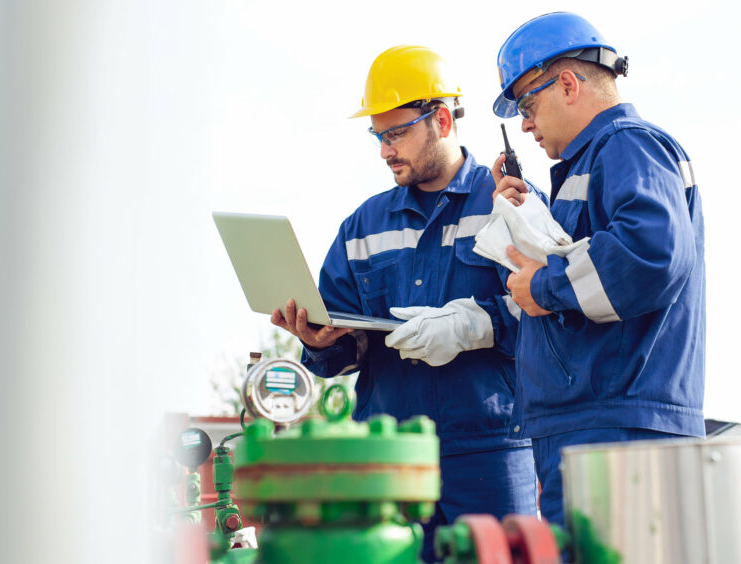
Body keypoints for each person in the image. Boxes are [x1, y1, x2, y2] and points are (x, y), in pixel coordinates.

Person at [271, 45, 537, 561]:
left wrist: (472, 326)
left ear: (441, 119)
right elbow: (344, 342)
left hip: (489, 449)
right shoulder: (363, 226)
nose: (384, 150)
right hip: (387, 457)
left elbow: (550, 315)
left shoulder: (509, 202)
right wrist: (319, 341)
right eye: (378, 135)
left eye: (396, 134)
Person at [491, 12, 706, 526]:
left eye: (526, 103)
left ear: (568, 84)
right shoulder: (599, 161)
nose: (523, 123)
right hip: (595, 424)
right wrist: (532, 212)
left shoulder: (627, 143)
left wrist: (543, 286)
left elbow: (650, 252)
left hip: (617, 428)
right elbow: (598, 249)